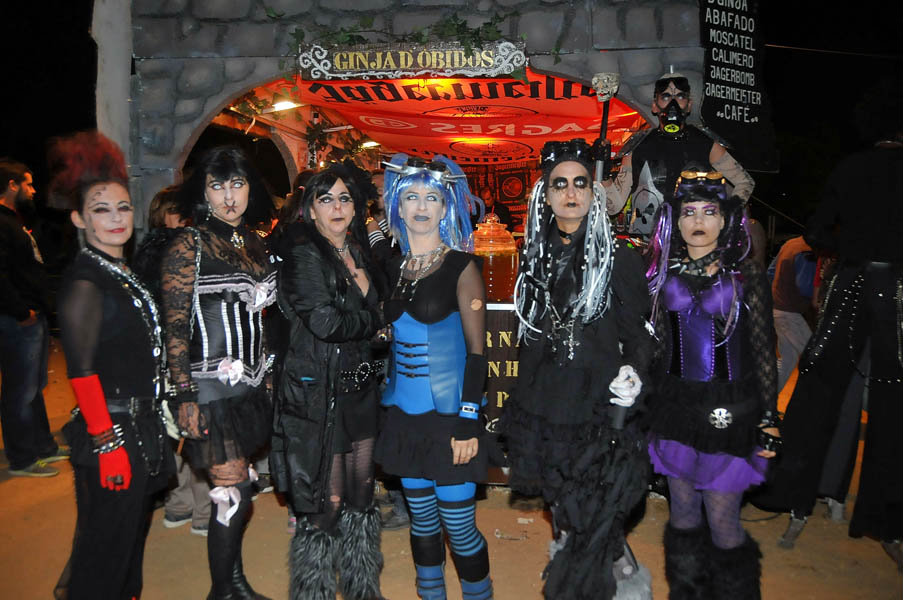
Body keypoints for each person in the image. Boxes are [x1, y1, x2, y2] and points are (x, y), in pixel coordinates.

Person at [759, 79, 903, 571]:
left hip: (852, 286)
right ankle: (886, 519)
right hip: (897, 292)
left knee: (817, 394)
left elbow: (817, 231)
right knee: (891, 403)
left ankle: (796, 500)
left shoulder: (852, 168)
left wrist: (850, 244)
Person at [502, 139, 654, 600]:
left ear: (593, 191)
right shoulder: (533, 256)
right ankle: (575, 577)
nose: (570, 193)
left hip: (596, 404)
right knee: (562, 509)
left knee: (596, 512)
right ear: (545, 195)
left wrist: (634, 373)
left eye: (580, 183)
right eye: (560, 184)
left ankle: (620, 587)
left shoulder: (619, 258)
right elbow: (530, 334)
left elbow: (639, 333)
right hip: (545, 403)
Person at [644, 171, 780, 598]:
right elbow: (657, 349)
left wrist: (770, 417)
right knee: (683, 517)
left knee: (722, 521)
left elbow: (763, 351)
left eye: (709, 211)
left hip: (730, 409)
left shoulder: (746, 275)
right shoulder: (662, 274)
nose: (698, 221)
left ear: (725, 220)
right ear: (676, 220)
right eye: (689, 212)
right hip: (676, 406)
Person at [50, 131, 175, 598]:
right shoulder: (85, 283)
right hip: (114, 430)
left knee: (127, 547)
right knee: (103, 556)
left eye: (123, 207)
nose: (116, 218)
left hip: (141, 426)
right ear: (79, 218)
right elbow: (81, 373)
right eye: (101, 209)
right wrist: (108, 445)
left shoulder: (120, 271)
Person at [373, 154, 493, 600]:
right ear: (397, 206)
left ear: (446, 208)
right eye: (411, 197)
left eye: (431, 197)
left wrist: (468, 421)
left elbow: (478, 353)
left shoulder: (462, 267)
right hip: (404, 416)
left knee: (459, 526)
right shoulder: (394, 269)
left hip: (450, 418)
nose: (421, 206)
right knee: (422, 523)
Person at [161, 146, 276, 600]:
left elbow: (264, 320)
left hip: (248, 389)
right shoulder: (188, 243)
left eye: (237, 184)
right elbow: (174, 324)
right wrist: (183, 394)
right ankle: (223, 590)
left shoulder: (255, 241)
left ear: (250, 189)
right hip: (207, 388)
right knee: (232, 490)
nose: (229, 197)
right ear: (203, 192)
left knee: (240, 490)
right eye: (217, 186)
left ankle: (234, 582)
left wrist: (268, 372)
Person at [270, 164, 387, 600]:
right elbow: (325, 322)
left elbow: (377, 308)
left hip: (361, 391)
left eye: (344, 198)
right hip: (319, 395)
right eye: (326, 199)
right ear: (311, 209)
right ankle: (314, 592)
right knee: (327, 503)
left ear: (356, 207)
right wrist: (375, 322)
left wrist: (377, 324)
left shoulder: (357, 249)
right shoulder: (304, 254)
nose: (336, 207)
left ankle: (361, 588)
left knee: (362, 498)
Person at [132, 185, 212, 538]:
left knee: (170, 421)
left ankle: (181, 503)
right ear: (163, 213)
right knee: (190, 420)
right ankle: (201, 507)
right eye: (179, 210)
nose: (186, 217)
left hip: (161, 349)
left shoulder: (146, 249)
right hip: (184, 347)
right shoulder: (189, 247)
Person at [603, 72, 754, 238]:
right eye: (665, 96)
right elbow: (614, 207)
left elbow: (745, 182)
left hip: (692, 241)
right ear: (655, 105)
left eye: (680, 96)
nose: (673, 103)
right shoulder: (638, 145)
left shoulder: (705, 143)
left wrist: (722, 215)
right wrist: (604, 176)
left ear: (689, 105)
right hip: (647, 242)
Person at [0, 158, 66, 477]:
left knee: (34, 387)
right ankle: (23, 458)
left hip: (31, 315)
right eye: (27, 183)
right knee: (20, 391)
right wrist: (20, 311)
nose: (33, 190)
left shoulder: (13, 220)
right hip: (17, 320)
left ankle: (43, 446)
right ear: (12, 185)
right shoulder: (1, 223)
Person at [770, 235, 816, 391]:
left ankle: (768, 400)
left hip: (779, 307)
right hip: (790, 311)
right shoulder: (806, 251)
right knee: (813, 359)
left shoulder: (791, 244)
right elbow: (805, 288)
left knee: (787, 360)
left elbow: (770, 271)